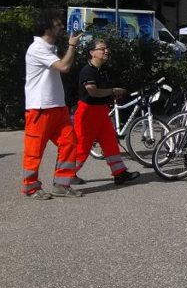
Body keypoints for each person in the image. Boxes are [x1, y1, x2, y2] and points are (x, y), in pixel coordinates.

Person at [22, 10, 81, 199]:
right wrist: (72, 46)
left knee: (70, 142)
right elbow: (64, 67)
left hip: (56, 106)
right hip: (40, 108)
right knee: (34, 150)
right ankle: (30, 187)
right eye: (57, 24)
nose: (62, 27)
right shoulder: (37, 48)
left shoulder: (50, 48)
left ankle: (61, 185)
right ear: (46, 28)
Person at [73, 38, 141, 186]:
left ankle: (120, 174)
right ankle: (65, 176)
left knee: (110, 143)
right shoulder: (88, 70)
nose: (106, 51)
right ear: (92, 53)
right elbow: (93, 92)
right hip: (88, 113)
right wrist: (112, 90)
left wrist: (112, 94)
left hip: (101, 112)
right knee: (82, 147)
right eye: (102, 49)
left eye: (106, 48)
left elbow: (100, 92)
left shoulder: (102, 70)